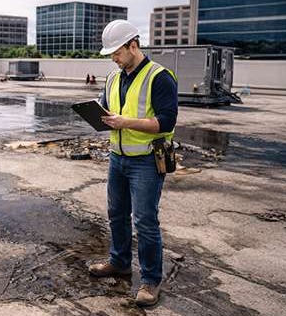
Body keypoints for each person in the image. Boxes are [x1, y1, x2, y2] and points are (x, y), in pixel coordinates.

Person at [89, 20, 178, 307]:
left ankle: (151, 281)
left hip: (146, 162)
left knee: (145, 221)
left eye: (117, 52)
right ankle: (120, 262)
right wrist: (98, 116)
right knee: (116, 213)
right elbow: (108, 110)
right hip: (118, 158)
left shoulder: (159, 77)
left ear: (133, 45)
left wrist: (125, 122)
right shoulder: (113, 78)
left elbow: (166, 122)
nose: (113, 58)